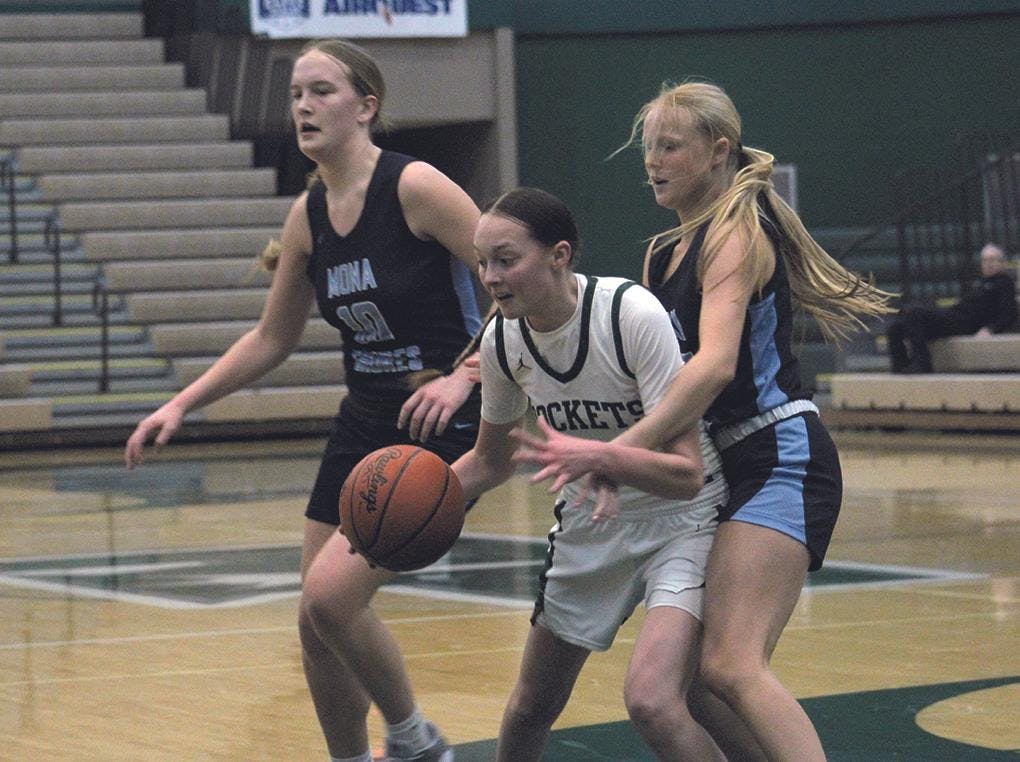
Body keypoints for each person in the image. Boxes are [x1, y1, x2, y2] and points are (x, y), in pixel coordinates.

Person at [124, 38, 485, 762]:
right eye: (296, 94)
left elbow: (521, 281)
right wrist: (182, 404)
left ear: (366, 106)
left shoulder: (417, 187)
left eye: (321, 91)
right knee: (313, 622)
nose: (303, 106)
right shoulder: (308, 214)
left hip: (439, 416)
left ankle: (416, 740)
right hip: (364, 418)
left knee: (332, 600)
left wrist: (466, 374)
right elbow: (270, 338)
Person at [516, 82, 894, 761]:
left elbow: (716, 366)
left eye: (669, 146)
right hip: (722, 466)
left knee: (731, 666)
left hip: (778, 451)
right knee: (697, 694)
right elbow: (642, 366)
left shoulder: (736, 232)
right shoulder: (663, 252)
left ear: (719, 151)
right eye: (647, 149)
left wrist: (614, 453)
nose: (653, 162)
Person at [445, 186, 729, 761]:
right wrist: (404, 508)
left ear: (560, 255)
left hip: (682, 523)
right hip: (589, 525)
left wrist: (602, 458)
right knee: (529, 709)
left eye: (506, 259)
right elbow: (490, 461)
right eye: (481, 262)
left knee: (654, 699)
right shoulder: (503, 339)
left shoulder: (629, 313)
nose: (491, 277)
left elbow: (686, 475)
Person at [886, 242, 1017, 373]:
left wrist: (990, 329)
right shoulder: (980, 283)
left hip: (965, 323)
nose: (988, 264)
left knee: (915, 312)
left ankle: (922, 363)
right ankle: (899, 367)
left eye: (992, 260)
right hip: (955, 316)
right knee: (896, 327)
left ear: (1002, 263)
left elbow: (1009, 313)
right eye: (985, 260)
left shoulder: (1004, 283)